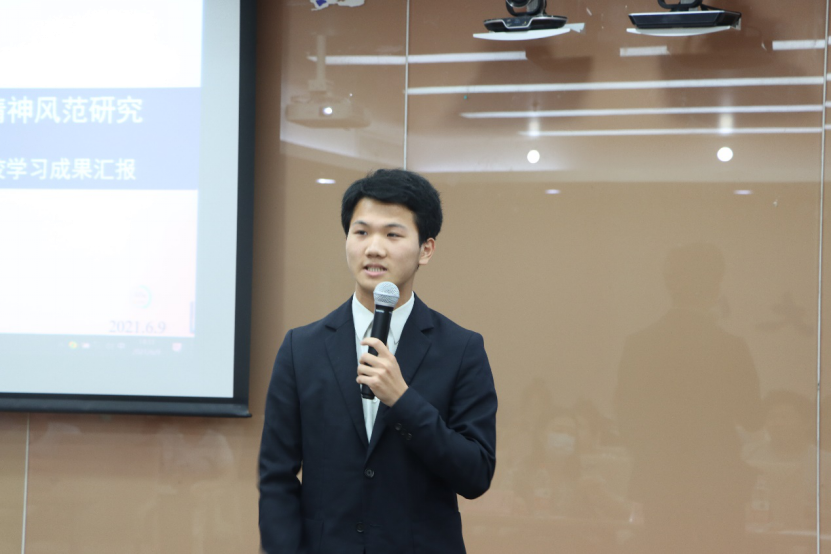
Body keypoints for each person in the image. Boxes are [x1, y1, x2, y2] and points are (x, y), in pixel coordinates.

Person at [258, 169, 498, 554]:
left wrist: (403, 401)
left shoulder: (461, 349)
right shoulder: (300, 348)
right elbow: (276, 477)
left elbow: (476, 474)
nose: (373, 248)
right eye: (361, 232)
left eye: (392, 234)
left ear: (426, 250)